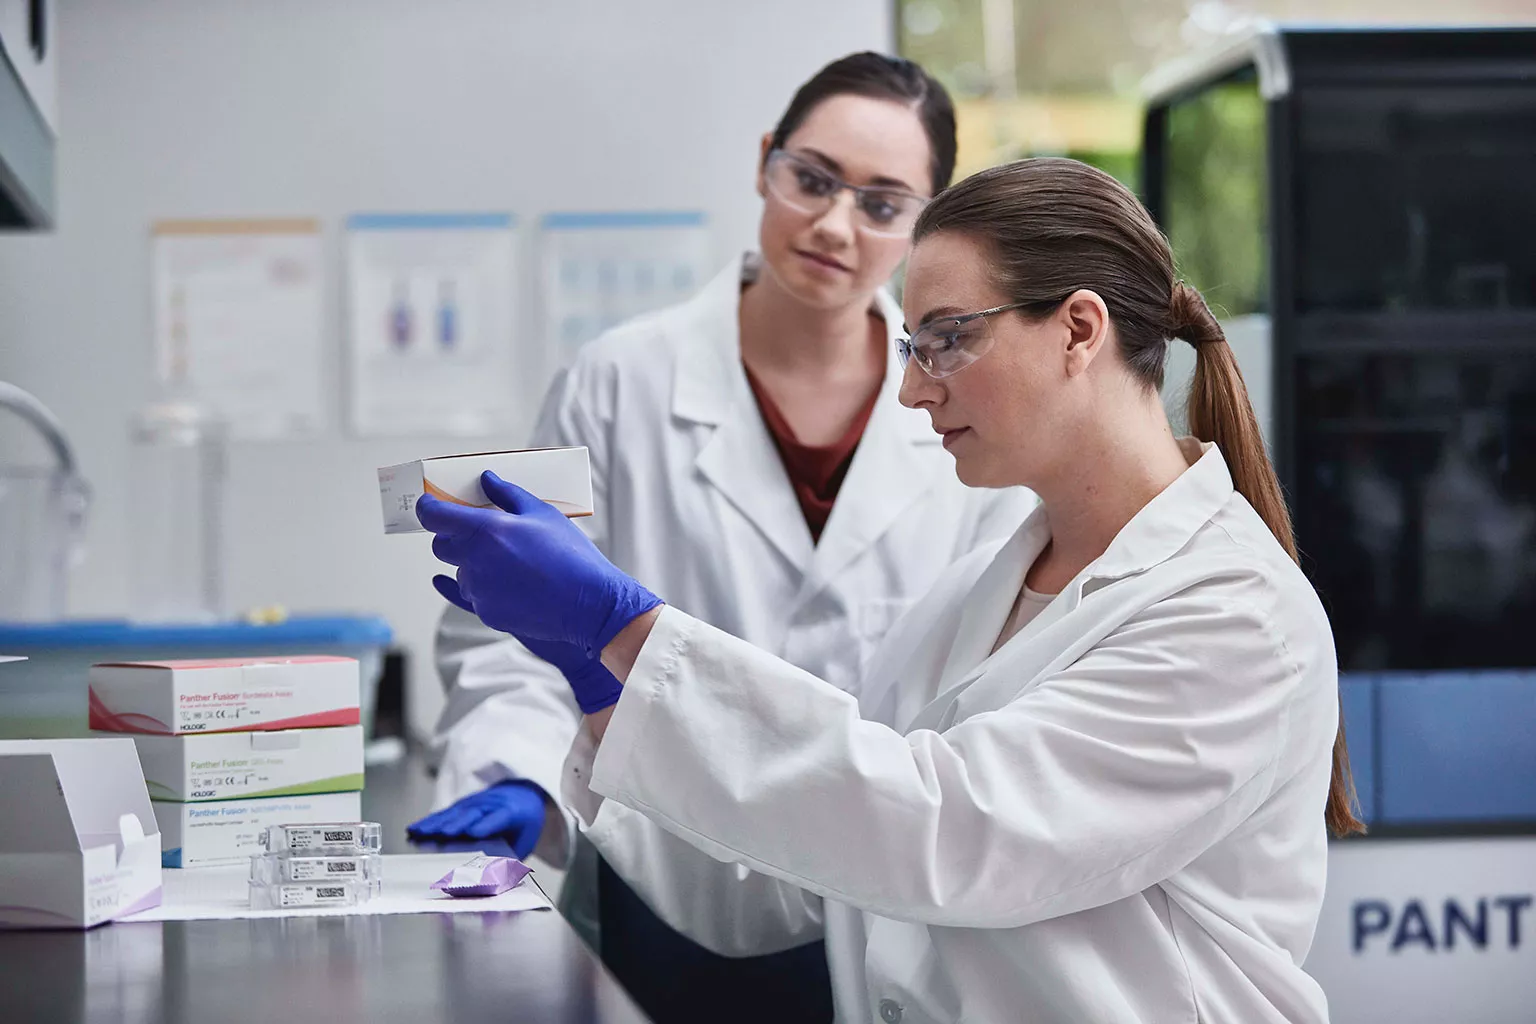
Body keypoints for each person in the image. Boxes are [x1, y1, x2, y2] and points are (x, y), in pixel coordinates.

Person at [418, 156, 1366, 1024]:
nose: (913, 391)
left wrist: (624, 625)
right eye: (914, 345)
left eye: (947, 340)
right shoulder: (975, 595)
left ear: (1079, 330)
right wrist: (601, 688)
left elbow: (949, 835)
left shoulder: (1235, 614)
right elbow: (786, 879)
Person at [408, 53, 1034, 1022]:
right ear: (765, 162)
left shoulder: (964, 413)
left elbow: (990, 670)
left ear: (927, 222)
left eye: (882, 204)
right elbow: (515, 631)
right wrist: (518, 774)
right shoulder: (619, 381)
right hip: (658, 870)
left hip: (885, 888)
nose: (833, 225)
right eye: (812, 178)